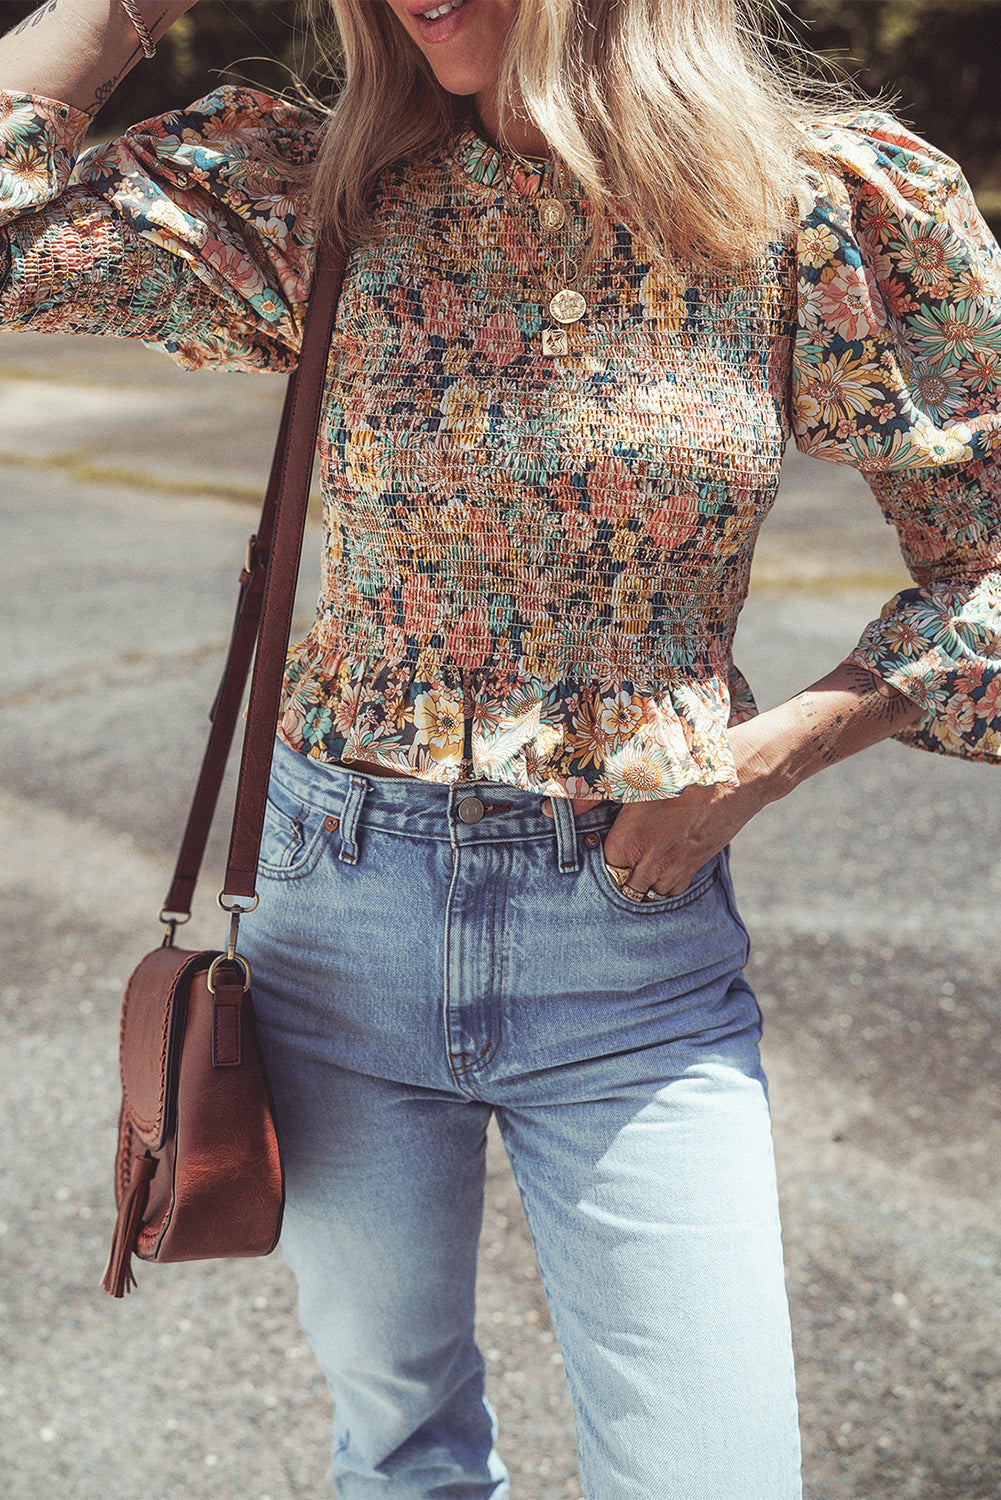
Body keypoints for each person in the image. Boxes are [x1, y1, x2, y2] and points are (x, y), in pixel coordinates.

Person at [2, 1, 999, 1494]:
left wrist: (778, 750)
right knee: (397, 1448)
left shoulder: (813, 205)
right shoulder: (319, 187)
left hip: (629, 943)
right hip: (334, 913)